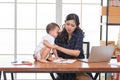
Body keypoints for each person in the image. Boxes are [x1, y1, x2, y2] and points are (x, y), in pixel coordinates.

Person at [54, 13, 92, 80]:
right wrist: (57, 56)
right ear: (65, 23)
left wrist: (58, 47)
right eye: (67, 24)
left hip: (78, 68)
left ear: (76, 26)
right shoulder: (59, 35)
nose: (69, 27)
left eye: (72, 25)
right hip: (64, 68)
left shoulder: (79, 34)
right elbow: (54, 49)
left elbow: (76, 53)